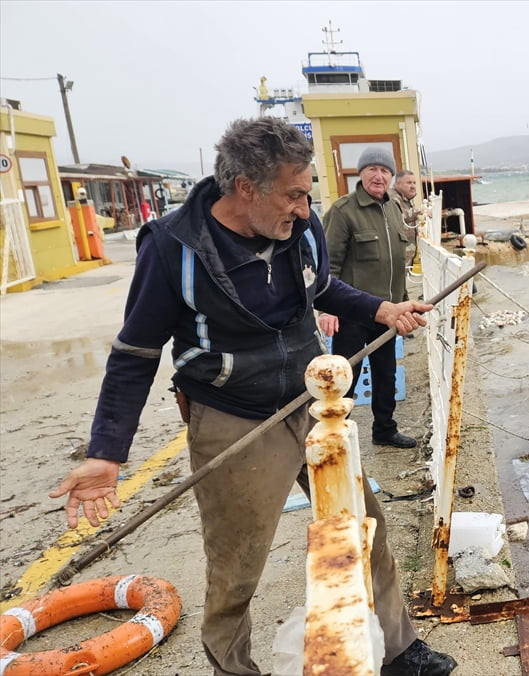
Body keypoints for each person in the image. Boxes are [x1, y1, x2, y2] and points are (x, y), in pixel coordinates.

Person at [50, 118, 456, 676]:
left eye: (307, 192)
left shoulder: (304, 224)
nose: (303, 205)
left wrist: (381, 309)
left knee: (363, 528)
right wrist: (107, 453)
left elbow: (321, 286)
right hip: (234, 417)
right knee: (237, 566)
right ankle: (233, 668)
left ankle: (399, 649)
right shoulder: (173, 248)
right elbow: (135, 352)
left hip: (314, 405)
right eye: (293, 193)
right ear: (246, 188)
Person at [319, 148, 417, 449]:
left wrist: (402, 302)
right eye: (372, 169)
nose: (379, 176)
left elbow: (397, 262)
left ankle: (384, 430)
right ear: (360, 174)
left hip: (388, 312)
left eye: (385, 171)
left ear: (391, 177)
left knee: (386, 374)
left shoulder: (392, 209)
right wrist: (326, 308)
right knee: (347, 375)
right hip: (353, 313)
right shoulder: (343, 210)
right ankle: (337, 436)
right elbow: (328, 264)